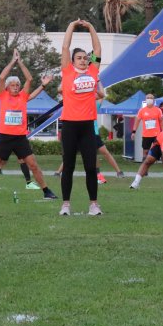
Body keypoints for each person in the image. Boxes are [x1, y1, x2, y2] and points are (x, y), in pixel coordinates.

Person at [0, 49, 58, 201]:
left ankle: (46, 191)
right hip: (4, 137)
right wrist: (13, 61)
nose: (16, 87)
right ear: (7, 87)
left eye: (17, 84)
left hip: (20, 138)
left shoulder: (23, 96)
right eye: (13, 85)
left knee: (33, 165)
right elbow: (2, 76)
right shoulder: (2, 96)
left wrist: (21, 62)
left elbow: (29, 79)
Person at [58, 19, 105, 217]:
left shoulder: (93, 71)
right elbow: (65, 46)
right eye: (79, 58)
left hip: (87, 126)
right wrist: (71, 26)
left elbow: (97, 47)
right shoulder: (67, 72)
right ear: (73, 60)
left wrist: (90, 28)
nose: (84, 60)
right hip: (69, 125)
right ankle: (66, 205)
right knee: (68, 166)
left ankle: (93, 205)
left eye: (85, 58)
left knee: (90, 167)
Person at [132, 94, 163, 158]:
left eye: (151, 98)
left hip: (156, 134)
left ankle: (162, 162)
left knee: (159, 149)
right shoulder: (142, 110)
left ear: (154, 100)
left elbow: (161, 121)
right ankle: (144, 163)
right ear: (145, 100)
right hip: (146, 135)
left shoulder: (158, 110)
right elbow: (137, 121)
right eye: (148, 98)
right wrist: (133, 132)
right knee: (145, 151)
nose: (149, 99)